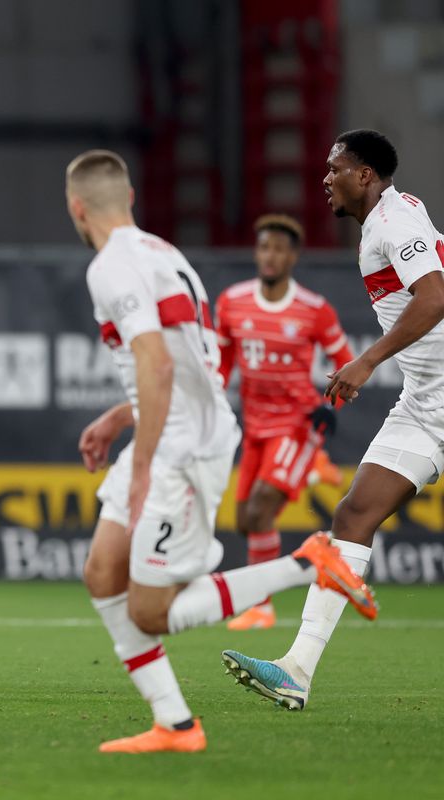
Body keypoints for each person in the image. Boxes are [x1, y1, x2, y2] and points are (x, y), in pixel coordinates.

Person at [67, 150, 374, 754]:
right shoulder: (164, 253)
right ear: (129, 199)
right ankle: (176, 726)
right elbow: (188, 368)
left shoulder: (109, 267)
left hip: (179, 448)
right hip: (174, 428)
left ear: (77, 209)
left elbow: (156, 364)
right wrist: (119, 416)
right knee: (103, 574)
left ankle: (312, 563)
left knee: (152, 612)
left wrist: (145, 461)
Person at [223, 129, 444, 710]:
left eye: (336, 168)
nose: (325, 178)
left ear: (365, 175)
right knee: (352, 514)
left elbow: (433, 296)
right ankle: (296, 669)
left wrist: (367, 360)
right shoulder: (391, 217)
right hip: (426, 404)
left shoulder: (395, 224)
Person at [215, 214, 354, 630]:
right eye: (264, 247)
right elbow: (221, 364)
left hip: (296, 426)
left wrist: (333, 407)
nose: (270, 255)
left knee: (260, 511)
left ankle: (262, 607)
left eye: (279, 248)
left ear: (293, 256)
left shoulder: (314, 309)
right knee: (244, 521)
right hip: (254, 428)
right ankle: (311, 474)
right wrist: (212, 399)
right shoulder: (232, 301)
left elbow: (347, 362)